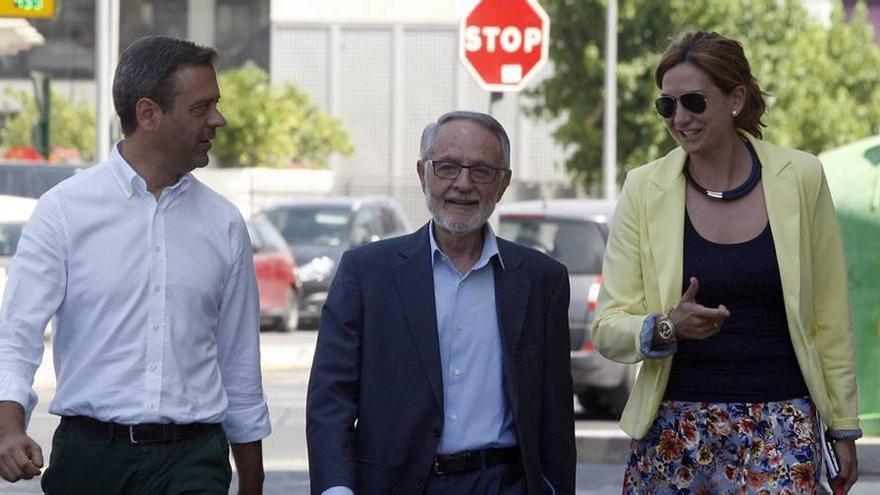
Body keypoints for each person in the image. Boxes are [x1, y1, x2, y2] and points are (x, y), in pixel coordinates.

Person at [591, 31, 861, 494]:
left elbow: (828, 315)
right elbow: (608, 325)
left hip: (781, 425)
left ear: (736, 98)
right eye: (667, 106)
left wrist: (843, 425)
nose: (679, 119)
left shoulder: (801, 177)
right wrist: (666, 326)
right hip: (673, 428)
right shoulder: (644, 188)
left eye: (694, 102)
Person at [0, 35, 270, 494]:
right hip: (90, 460)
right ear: (148, 115)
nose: (217, 120)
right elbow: (16, 334)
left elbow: (239, 362)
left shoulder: (225, 224)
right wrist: (8, 427)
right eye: (201, 107)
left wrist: (252, 481)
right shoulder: (64, 210)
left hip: (193, 459)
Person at [306, 110, 576, 495]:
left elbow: (555, 415)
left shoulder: (541, 280)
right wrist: (336, 489)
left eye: (481, 171)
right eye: (447, 167)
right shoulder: (366, 274)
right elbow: (330, 399)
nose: (462, 184)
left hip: (503, 484)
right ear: (423, 173)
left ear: (503, 184)